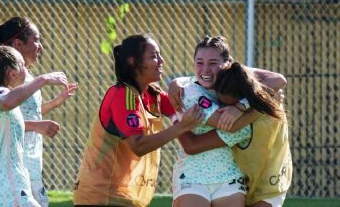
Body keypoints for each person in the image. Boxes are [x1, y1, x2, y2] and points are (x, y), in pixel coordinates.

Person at [73, 34, 204, 207]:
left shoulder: (153, 94)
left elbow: (182, 108)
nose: (161, 60)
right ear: (132, 62)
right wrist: (182, 126)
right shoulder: (122, 95)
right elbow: (139, 146)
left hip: (128, 199)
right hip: (102, 197)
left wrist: (178, 84)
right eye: (153, 56)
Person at [169, 36, 291, 207]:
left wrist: (242, 106)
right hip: (192, 178)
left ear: (228, 64)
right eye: (199, 62)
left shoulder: (243, 86)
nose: (205, 69)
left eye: (213, 63)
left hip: (248, 177)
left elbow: (279, 80)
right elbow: (231, 126)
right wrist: (261, 105)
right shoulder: (189, 92)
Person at [0, 44, 68, 206]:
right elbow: (7, 101)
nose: (27, 69)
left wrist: (36, 125)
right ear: (12, 73)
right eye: (23, 65)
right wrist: (43, 79)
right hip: (9, 187)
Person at [0, 16, 78, 206]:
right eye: (36, 40)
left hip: (31, 163)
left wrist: (55, 102)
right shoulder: (6, 80)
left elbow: (25, 116)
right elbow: (1, 121)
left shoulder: (26, 76)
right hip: (12, 165)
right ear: (18, 44)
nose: (41, 47)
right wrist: (38, 126)